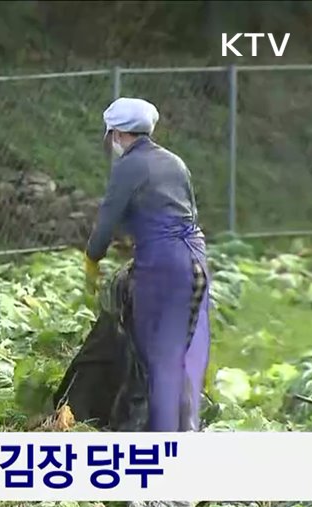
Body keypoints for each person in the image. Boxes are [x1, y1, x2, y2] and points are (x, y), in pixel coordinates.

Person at [83, 97, 211, 434]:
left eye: (112, 135)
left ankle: (139, 438)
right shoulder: (175, 162)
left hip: (164, 271)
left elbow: (107, 222)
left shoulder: (130, 166)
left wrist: (91, 260)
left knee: (146, 360)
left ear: (119, 134)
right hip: (196, 264)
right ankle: (184, 433)